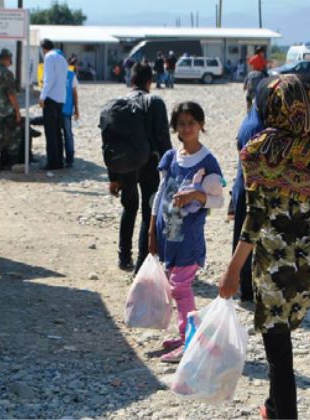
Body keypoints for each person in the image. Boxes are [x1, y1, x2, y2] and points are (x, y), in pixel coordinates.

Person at [219, 74, 310, 419]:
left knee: (278, 349)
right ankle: (272, 407)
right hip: (307, 262)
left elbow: (254, 218)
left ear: (270, 105)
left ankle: (284, 413)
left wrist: (233, 270)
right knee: (282, 338)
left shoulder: (255, 151)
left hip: (271, 262)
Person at [148, 101, 224, 363]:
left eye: (192, 122)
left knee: (180, 287)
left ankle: (190, 341)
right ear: (174, 127)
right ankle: (187, 335)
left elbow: (218, 200)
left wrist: (196, 195)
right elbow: (161, 193)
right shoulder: (171, 157)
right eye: (181, 123)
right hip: (167, 234)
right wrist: (152, 228)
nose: (187, 128)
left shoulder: (208, 162)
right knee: (175, 286)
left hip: (189, 238)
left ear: (201, 124)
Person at [108, 62, 172, 272]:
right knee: (148, 211)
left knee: (129, 207)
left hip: (125, 165)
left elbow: (111, 143)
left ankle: (123, 257)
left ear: (132, 79)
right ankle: (142, 263)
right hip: (149, 165)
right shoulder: (155, 102)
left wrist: (113, 177)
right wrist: (171, 170)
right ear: (150, 81)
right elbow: (163, 139)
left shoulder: (119, 104)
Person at [231, 86, 265, 303]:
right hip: (250, 189)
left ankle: (245, 286)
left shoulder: (253, 118)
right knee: (248, 238)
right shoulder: (258, 126)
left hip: (243, 186)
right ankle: (246, 289)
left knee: (244, 237)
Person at [39, 38, 68, 170]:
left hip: (51, 98)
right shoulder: (62, 58)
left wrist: (42, 96)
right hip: (61, 98)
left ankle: (52, 162)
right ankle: (59, 161)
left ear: (43, 48)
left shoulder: (49, 57)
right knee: (57, 132)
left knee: (50, 133)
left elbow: (49, 79)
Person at [61, 57, 80, 168]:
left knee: (67, 134)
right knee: (62, 134)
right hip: (56, 109)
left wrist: (76, 109)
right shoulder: (56, 74)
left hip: (66, 109)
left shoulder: (71, 75)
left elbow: (74, 93)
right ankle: (59, 157)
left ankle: (69, 158)